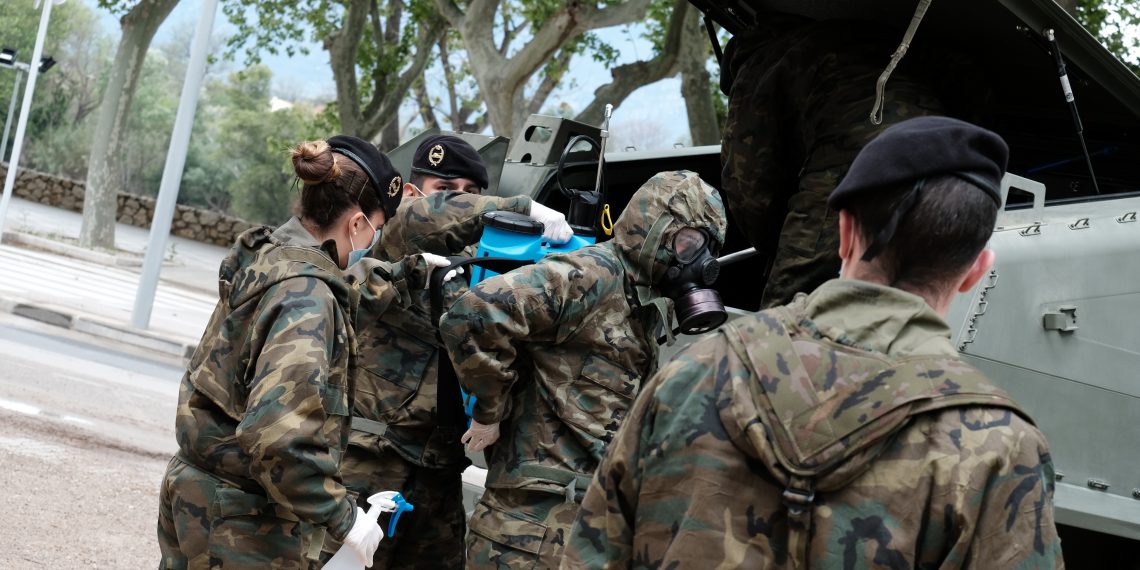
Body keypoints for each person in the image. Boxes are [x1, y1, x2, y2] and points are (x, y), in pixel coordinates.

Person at [563, 117, 1064, 569]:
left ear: (843, 232)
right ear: (977, 270)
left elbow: (591, 553)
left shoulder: (695, 371)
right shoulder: (999, 447)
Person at [156, 135, 450, 569]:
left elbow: (344, 289)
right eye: (376, 228)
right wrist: (345, 517)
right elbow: (279, 436)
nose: (374, 240)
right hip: (243, 519)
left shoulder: (271, 255)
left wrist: (408, 272)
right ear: (356, 224)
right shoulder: (308, 296)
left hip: (198, 491)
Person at [439, 170, 728, 569]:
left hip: (580, 530)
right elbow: (473, 312)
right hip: (526, 533)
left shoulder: (641, 299)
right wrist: (489, 411)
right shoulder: (591, 274)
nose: (696, 260)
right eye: (688, 243)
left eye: (705, 247)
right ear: (655, 228)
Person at [329, 133, 572, 569]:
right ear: (411, 192)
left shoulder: (486, 268)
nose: (460, 200)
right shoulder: (398, 235)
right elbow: (430, 215)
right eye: (445, 189)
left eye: (471, 192)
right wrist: (518, 208)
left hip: (439, 471)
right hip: (368, 461)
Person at [720, 13, 950, 309]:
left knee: (790, 308)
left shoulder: (758, 67)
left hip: (860, 164)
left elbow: (749, 189)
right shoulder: (842, 38)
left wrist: (776, 248)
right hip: (950, 152)